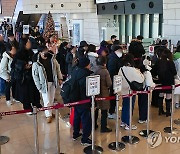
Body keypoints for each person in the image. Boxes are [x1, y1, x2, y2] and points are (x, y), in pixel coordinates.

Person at [32, 45, 63, 123]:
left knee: (51, 98)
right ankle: (48, 115)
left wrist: (60, 78)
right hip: (44, 84)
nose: (46, 52)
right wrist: (39, 86)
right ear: (40, 53)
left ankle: (50, 112)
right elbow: (35, 76)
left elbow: (57, 68)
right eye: (44, 51)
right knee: (46, 100)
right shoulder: (37, 63)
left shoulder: (52, 59)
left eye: (46, 50)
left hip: (52, 81)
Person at [11, 38, 42, 114]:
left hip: (32, 75)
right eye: (28, 42)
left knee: (34, 91)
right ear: (24, 44)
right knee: (25, 94)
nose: (30, 43)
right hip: (23, 78)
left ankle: (36, 103)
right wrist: (24, 66)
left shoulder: (30, 52)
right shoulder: (19, 54)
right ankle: (27, 108)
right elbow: (13, 65)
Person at [118, 53, 144, 130]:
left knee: (125, 106)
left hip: (123, 90)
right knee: (130, 106)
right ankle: (128, 124)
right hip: (130, 90)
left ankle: (123, 121)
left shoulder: (121, 68)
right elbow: (141, 79)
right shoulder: (133, 70)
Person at [72, 57, 92, 146]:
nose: (90, 65)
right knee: (86, 119)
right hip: (84, 100)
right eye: (89, 64)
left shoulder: (75, 70)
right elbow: (87, 89)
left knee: (77, 116)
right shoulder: (86, 74)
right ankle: (85, 139)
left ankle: (75, 134)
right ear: (86, 65)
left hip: (76, 99)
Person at [152, 49, 177, 117]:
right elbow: (174, 72)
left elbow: (153, 71)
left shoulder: (158, 62)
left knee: (161, 94)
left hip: (160, 81)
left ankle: (160, 110)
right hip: (169, 81)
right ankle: (168, 111)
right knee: (168, 96)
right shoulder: (171, 62)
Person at [95, 56, 112, 133]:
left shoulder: (94, 69)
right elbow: (109, 83)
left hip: (96, 93)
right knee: (104, 111)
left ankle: (94, 124)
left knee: (96, 109)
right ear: (104, 63)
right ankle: (103, 127)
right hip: (104, 93)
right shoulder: (105, 71)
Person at [107, 45, 123, 119]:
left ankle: (113, 110)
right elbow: (111, 71)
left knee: (114, 95)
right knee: (112, 95)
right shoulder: (112, 59)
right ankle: (111, 111)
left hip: (116, 79)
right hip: (114, 80)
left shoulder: (115, 57)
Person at [138, 55, 155, 124]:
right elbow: (149, 83)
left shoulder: (139, 69)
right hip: (146, 90)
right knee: (145, 104)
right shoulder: (147, 72)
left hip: (140, 89)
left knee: (141, 103)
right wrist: (153, 85)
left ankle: (141, 117)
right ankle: (143, 118)